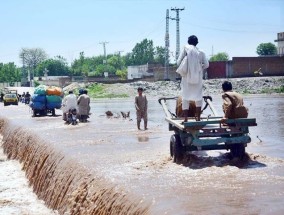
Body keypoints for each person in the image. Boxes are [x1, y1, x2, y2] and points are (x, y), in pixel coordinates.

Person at [177, 35, 209, 122]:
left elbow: (178, 62)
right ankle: (198, 118)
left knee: (185, 97)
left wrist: (187, 65)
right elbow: (206, 65)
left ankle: (186, 119)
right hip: (198, 78)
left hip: (186, 77)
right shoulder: (201, 52)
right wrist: (199, 68)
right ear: (197, 43)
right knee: (199, 97)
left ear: (188, 42)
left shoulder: (185, 49)